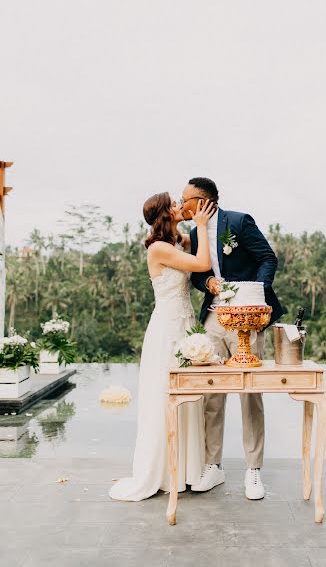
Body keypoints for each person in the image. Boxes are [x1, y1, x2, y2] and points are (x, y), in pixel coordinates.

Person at [181, 177, 285, 500]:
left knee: (249, 392)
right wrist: (208, 282)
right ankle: (214, 465)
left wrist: (255, 295)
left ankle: (253, 470)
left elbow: (268, 258)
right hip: (213, 316)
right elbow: (198, 273)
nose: (180, 203)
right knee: (212, 392)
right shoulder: (194, 233)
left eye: (184, 199)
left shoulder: (239, 222)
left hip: (247, 319)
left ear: (201, 202)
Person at [109, 193, 216, 501]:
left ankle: (187, 470)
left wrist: (193, 226)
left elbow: (193, 253)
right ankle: (164, 470)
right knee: (166, 395)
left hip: (185, 324)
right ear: (163, 214)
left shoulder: (174, 243)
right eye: (173, 204)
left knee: (189, 395)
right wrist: (202, 224)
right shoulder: (158, 249)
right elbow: (202, 263)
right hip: (167, 328)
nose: (178, 206)